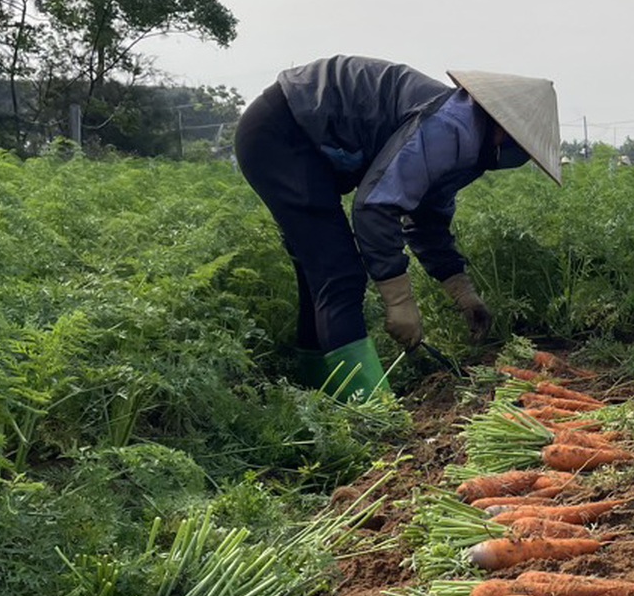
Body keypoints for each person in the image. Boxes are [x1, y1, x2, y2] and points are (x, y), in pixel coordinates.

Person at [234, 57, 561, 398]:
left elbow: (428, 220)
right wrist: (399, 300)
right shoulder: (452, 126)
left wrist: (462, 291)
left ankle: (317, 394)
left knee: (320, 275)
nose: (516, 156)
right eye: (520, 146)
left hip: (290, 136)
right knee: (339, 275)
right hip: (284, 132)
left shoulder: (470, 144)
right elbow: (376, 206)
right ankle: (368, 411)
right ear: (503, 127)